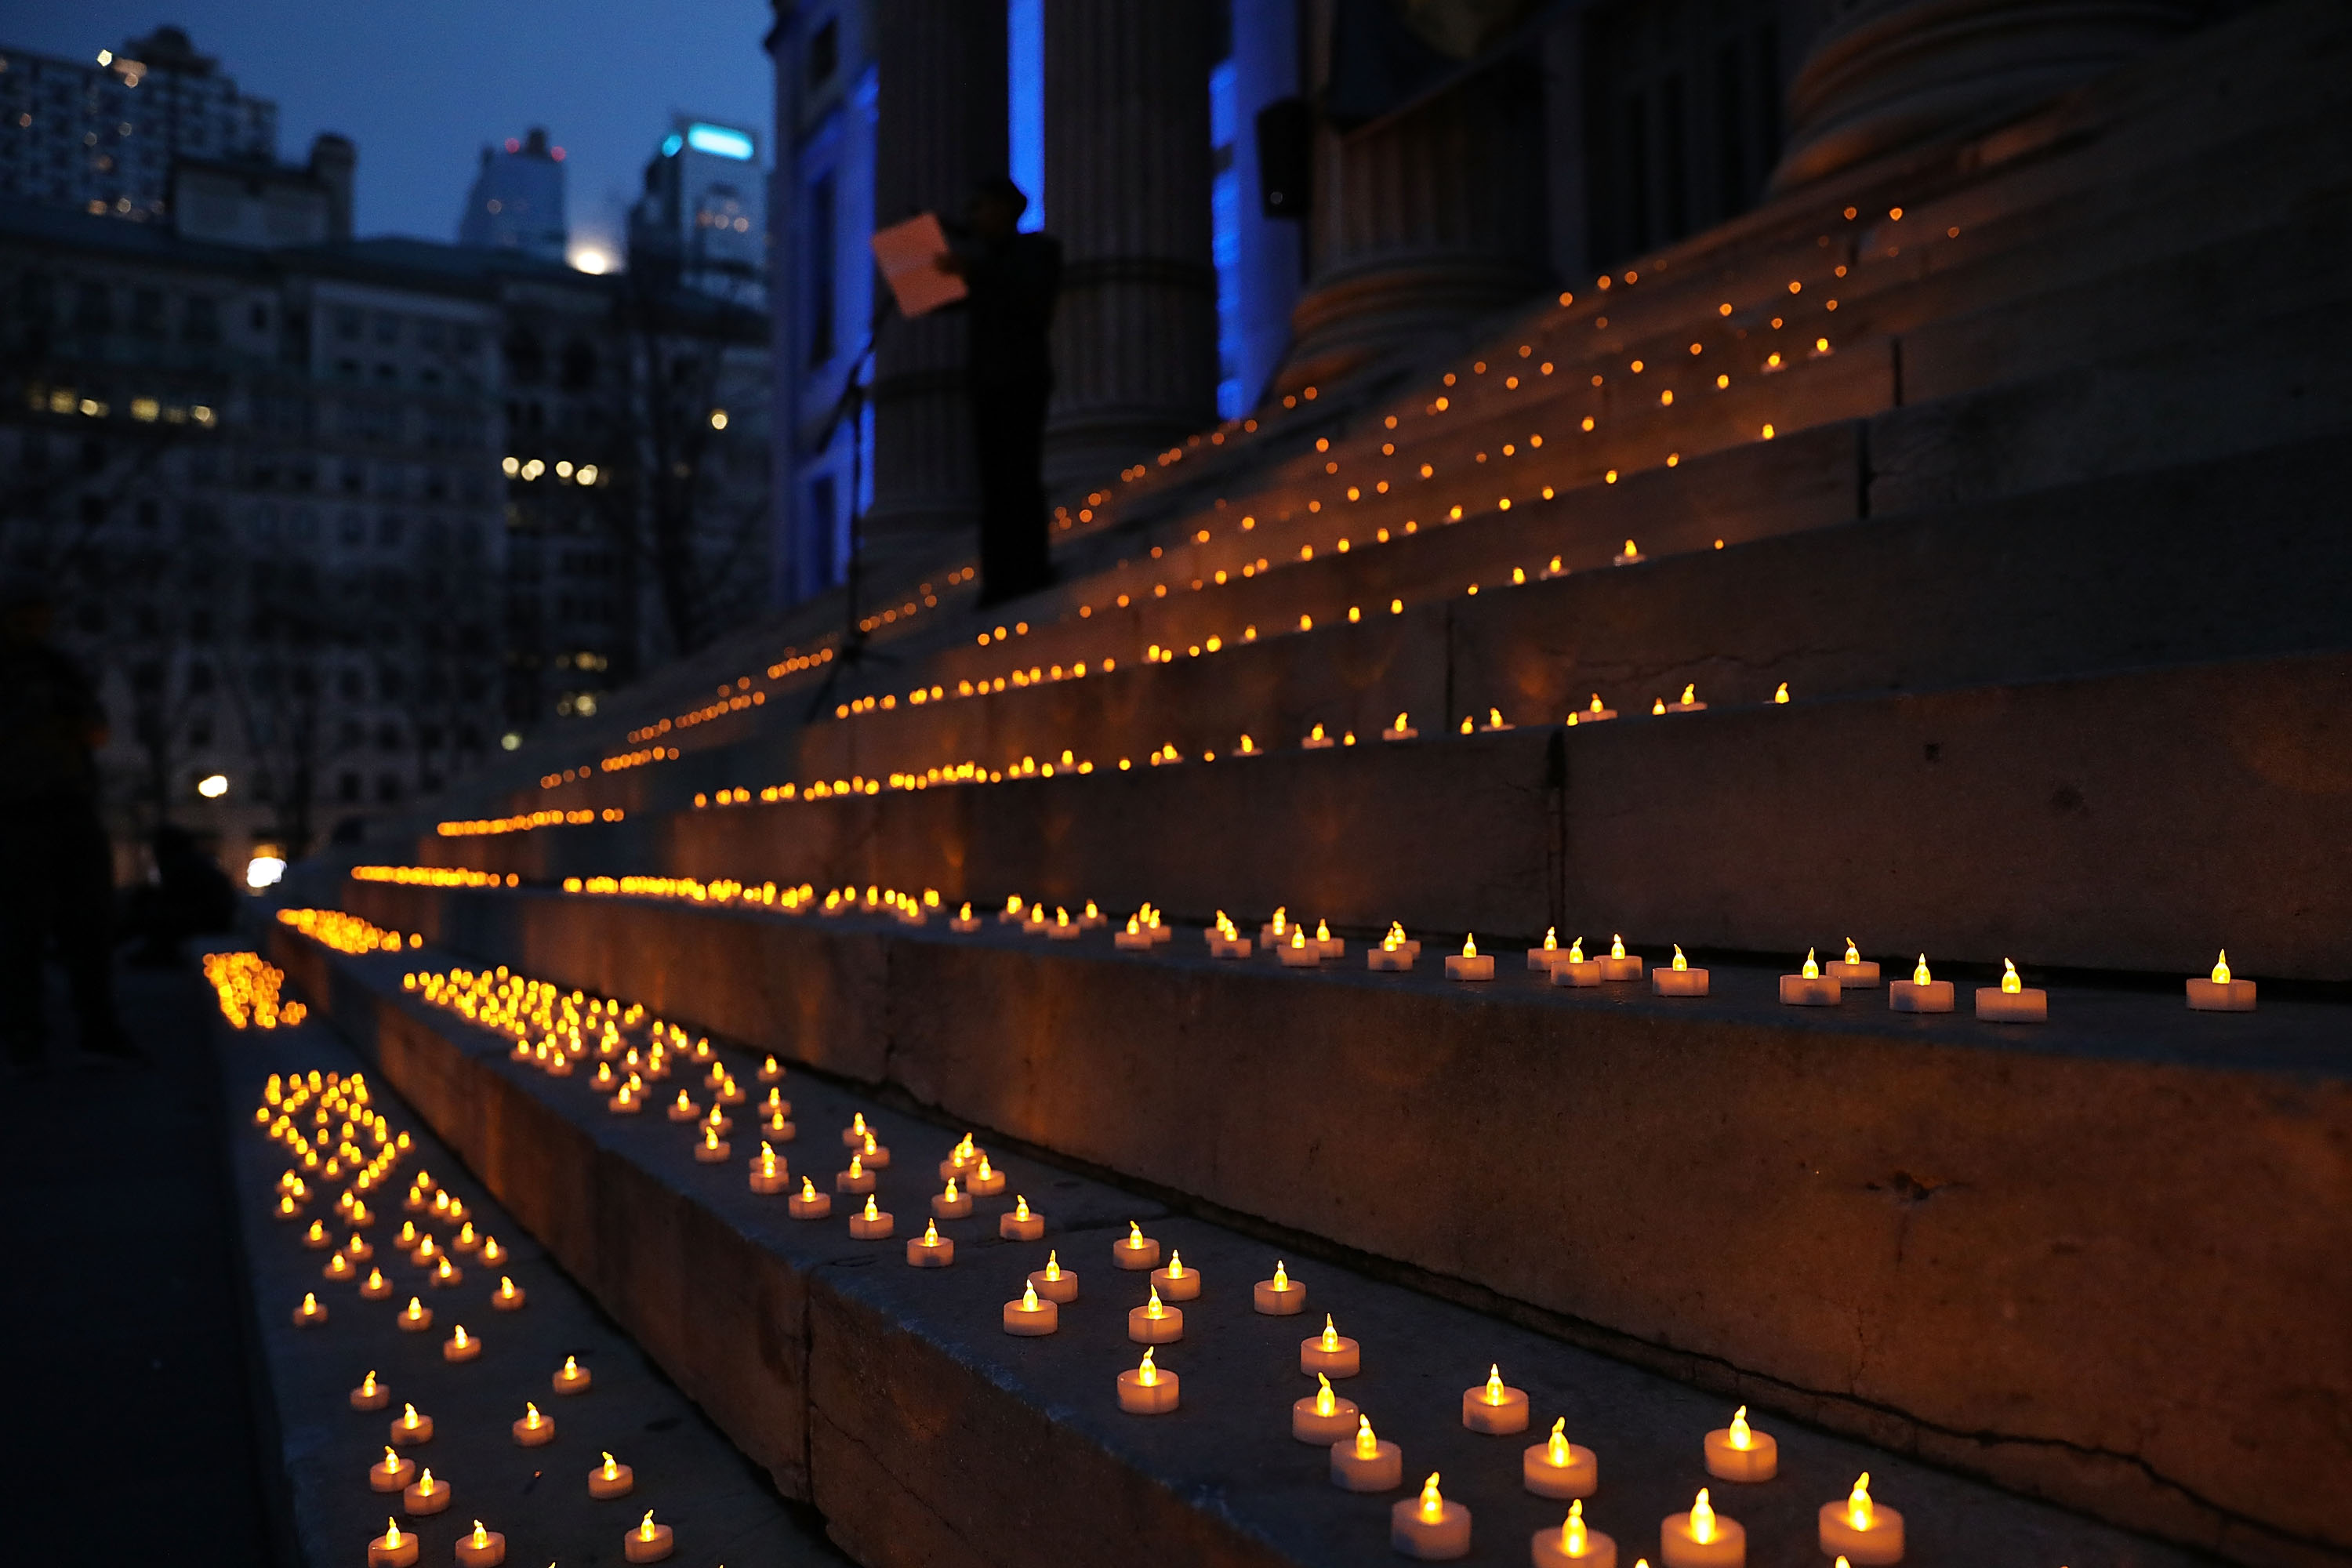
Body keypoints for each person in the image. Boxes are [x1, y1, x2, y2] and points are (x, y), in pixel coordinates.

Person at [0, 584, 134, 1072]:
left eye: (40, 619)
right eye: (23, 618)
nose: (34, 629)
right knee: (21, 930)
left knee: (91, 924)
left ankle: (97, 1025)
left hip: (72, 805)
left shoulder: (60, 669)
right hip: (14, 813)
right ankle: (23, 1030)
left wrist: (72, 718)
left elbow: (96, 731)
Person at [942, 177, 1062, 607]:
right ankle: (998, 578)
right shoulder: (983, 264)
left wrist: (974, 272)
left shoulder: (1038, 251)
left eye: (982, 206)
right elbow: (946, 304)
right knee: (992, 483)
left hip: (1022, 377)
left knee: (1021, 476)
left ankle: (1030, 569)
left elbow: (1028, 296)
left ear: (1007, 209)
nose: (974, 217)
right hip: (986, 381)